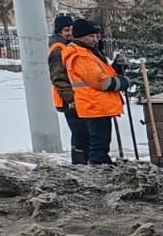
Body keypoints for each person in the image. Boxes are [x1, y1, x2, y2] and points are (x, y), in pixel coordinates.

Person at [60, 19, 124, 166]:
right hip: (94, 104)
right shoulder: (80, 55)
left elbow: (104, 73)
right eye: (91, 36)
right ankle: (99, 166)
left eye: (96, 36)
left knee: (101, 140)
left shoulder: (89, 53)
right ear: (80, 37)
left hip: (98, 104)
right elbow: (100, 81)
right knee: (98, 141)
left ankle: (102, 163)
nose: (95, 40)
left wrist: (117, 69)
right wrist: (121, 83)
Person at [48, 13, 90, 165]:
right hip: (69, 99)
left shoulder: (67, 46)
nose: (70, 32)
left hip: (73, 97)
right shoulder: (59, 49)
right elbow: (58, 77)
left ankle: (81, 163)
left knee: (80, 133)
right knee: (80, 133)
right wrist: (71, 98)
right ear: (59, 32)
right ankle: (80, 164)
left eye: (71, 28)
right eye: (66, 30)